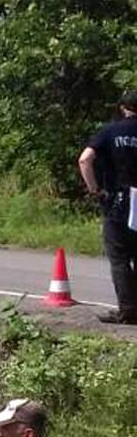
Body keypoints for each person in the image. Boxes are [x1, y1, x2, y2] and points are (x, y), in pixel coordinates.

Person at [78, 90, 137, 324]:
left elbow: (85, 159)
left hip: (119, 199)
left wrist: (95, 190)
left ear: (123, 108)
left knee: (120, 257)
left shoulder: (110, 131)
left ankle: (129, 310)